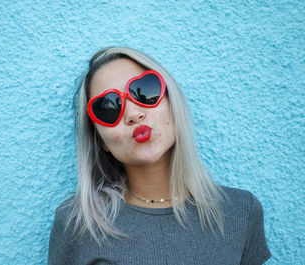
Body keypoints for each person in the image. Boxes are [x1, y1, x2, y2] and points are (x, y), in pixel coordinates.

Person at [48, 47, 272, 264]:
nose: (134, 114)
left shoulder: (241, 213)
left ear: (172, 102)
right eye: (108, 108)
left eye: (145, 90)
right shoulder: (77, 224)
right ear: (100, 140)